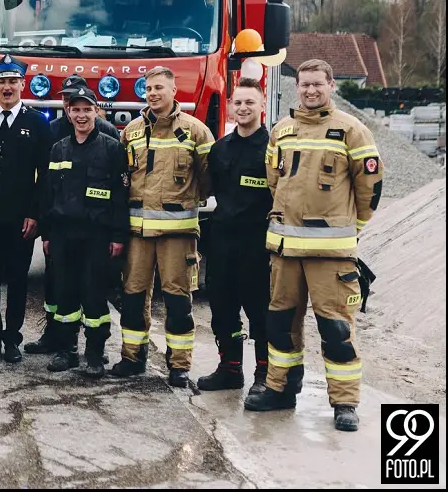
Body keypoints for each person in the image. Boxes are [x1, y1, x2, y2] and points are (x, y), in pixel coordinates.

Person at [244, 59, 382, 433]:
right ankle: (280, 389)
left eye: (317, 84)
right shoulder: (282, 130)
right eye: (304, 84)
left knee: (336, 330)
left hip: (330, 254)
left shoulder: (352, 130)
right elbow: (275, 181)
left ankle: (345, 402)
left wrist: (354, 229)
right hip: (286, 251)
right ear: (297, 87)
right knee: (280, 325)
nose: (310, 90)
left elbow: (370, 188)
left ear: (331, 85)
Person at [110, 66, 213, 388]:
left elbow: (209, 180)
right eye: (148, 89)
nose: (153, 94)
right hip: (138, 235)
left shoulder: (196, 132)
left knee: (178, 301)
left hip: (177, 237)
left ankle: (179, 366)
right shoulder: (132, 132)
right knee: (133, 297)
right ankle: (132, 357)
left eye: (159, 88)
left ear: (173, 92)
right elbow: (123, 180)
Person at [38, 83, 128, 377]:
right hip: (63, 235)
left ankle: (94, 354)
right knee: (64, 296)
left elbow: (119, 196)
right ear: (68, 111)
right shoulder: (58, 148)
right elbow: (48, 194)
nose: (80, 115)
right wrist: (47, 234)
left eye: (86, 109)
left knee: (93, 296)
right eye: (75, 110)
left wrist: (117, 236)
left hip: (96, 236)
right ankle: (67, 351)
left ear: (95, 111)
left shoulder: (112, 148)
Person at [197, 78, 273, 395]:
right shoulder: (220, 149)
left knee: (261, 315)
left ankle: (264, 375)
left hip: (257, 245)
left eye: (249, 103)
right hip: (223, 245)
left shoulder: (272, 149)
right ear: (231, 106)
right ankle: (229, 370)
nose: (243, 108)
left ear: (262, 107)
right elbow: (209, 190)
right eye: (238, 103)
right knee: (223, 312)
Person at [0, 56, 52, 363]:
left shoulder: (37, 123)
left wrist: (35, 214)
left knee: (19, 280)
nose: (7, 87)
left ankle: (13, 339)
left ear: (22, 84)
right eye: (2, 82)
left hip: (22, 218)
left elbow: (45, 175)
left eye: (12, 82)